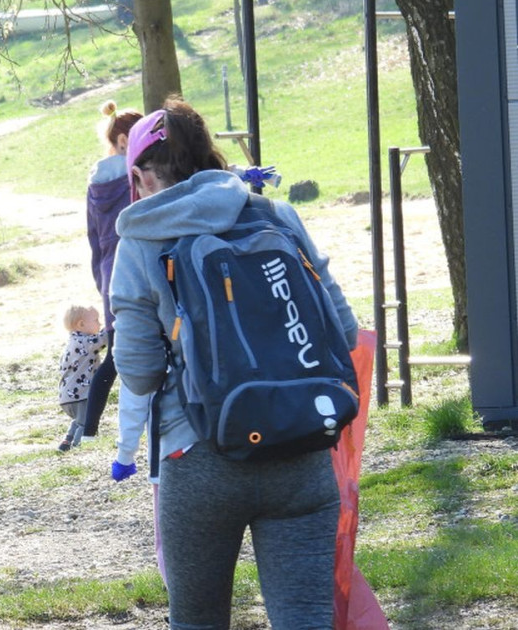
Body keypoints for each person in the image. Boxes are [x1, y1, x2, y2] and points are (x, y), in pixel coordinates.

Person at [110, 97, 356, 628]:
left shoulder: (141, 241)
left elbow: (140, 371)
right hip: (301, 445)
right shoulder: (276, 215)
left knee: (198, 620)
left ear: (141, 176)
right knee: (306, 617)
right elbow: (344, 328)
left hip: (199, 455)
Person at [83, 100, 145, 443]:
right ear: (124, 141)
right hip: (136, 267)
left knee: (116, 356)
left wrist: (101, 281)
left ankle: (89, 428)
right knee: (129, 354)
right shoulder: (137, 177)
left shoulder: (95, 185)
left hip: (110, 273)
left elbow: (94, 239)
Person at [56, 304, 105, 452]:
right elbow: (104, 338)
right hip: (80, 395)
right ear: (81, 324)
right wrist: (115, 325)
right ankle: (79, 447)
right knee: (86, 421)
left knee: (79, 420)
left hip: (68, 397)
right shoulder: (84, 342)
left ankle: (66, 442)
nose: (100, 323)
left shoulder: (74, 341)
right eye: (96, 320)